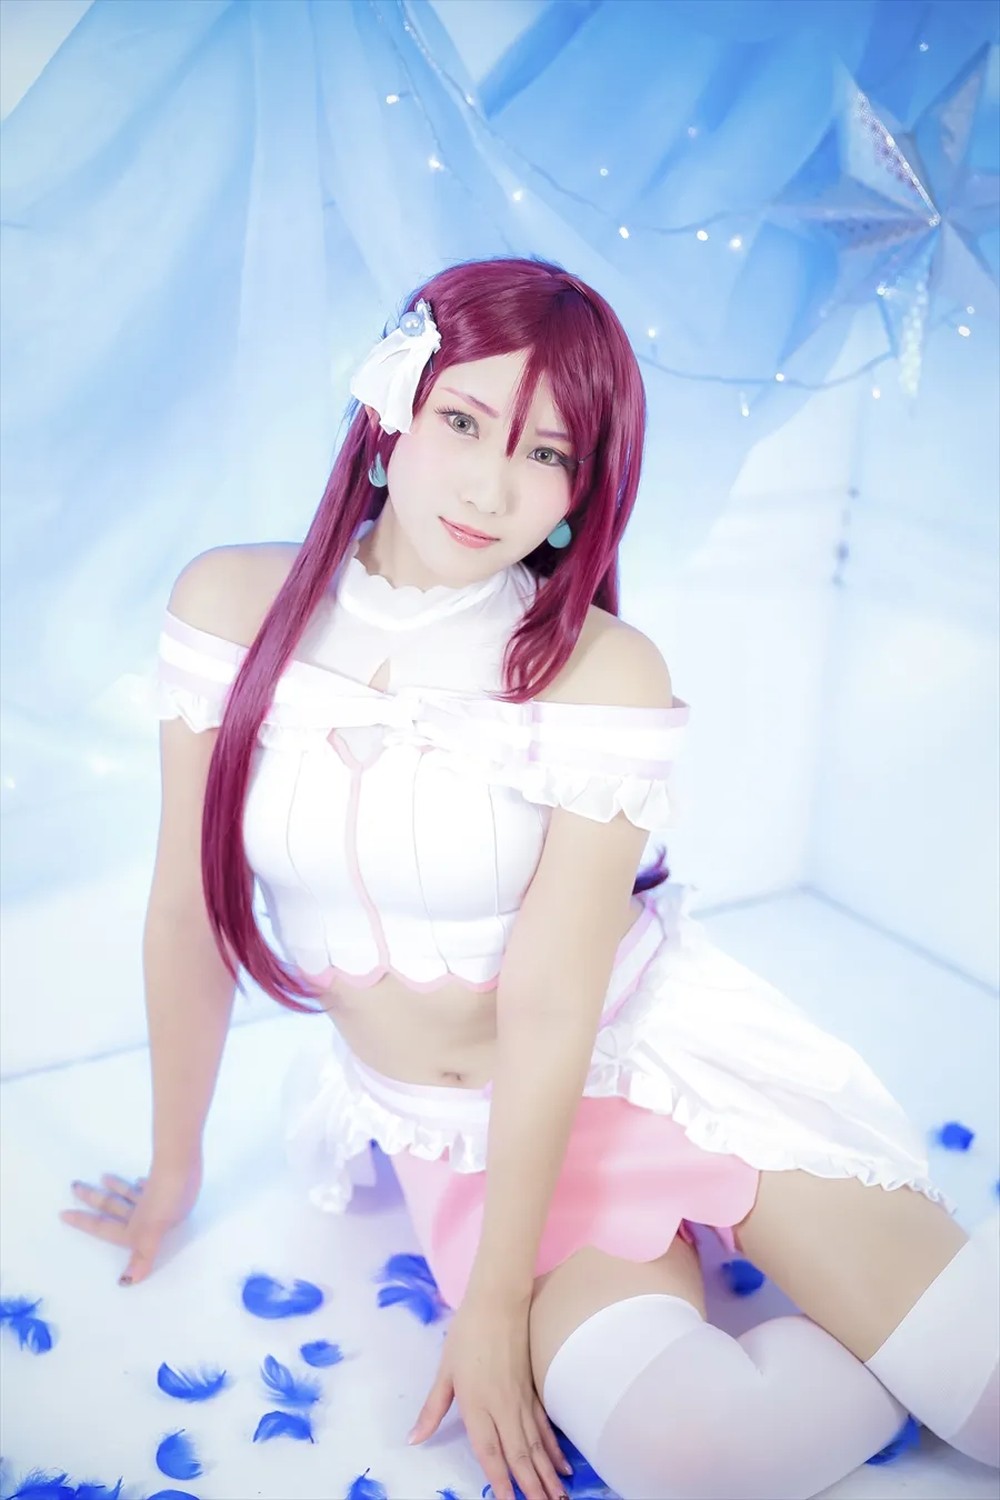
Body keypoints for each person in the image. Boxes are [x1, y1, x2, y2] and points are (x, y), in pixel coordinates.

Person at [61, 256, 999, 1500]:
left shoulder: (602, 670)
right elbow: (186, 915)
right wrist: (171, 1177)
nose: (490, 486)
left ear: (578, 490)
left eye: (546, 453)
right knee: (699, 1456)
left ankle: (899, 1313)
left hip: (656, 1066)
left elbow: (555, 1000)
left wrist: (494, 1308)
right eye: (462, 421)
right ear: (392, 409)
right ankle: (879, 1336)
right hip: (478, 1146)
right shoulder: (229, 606)